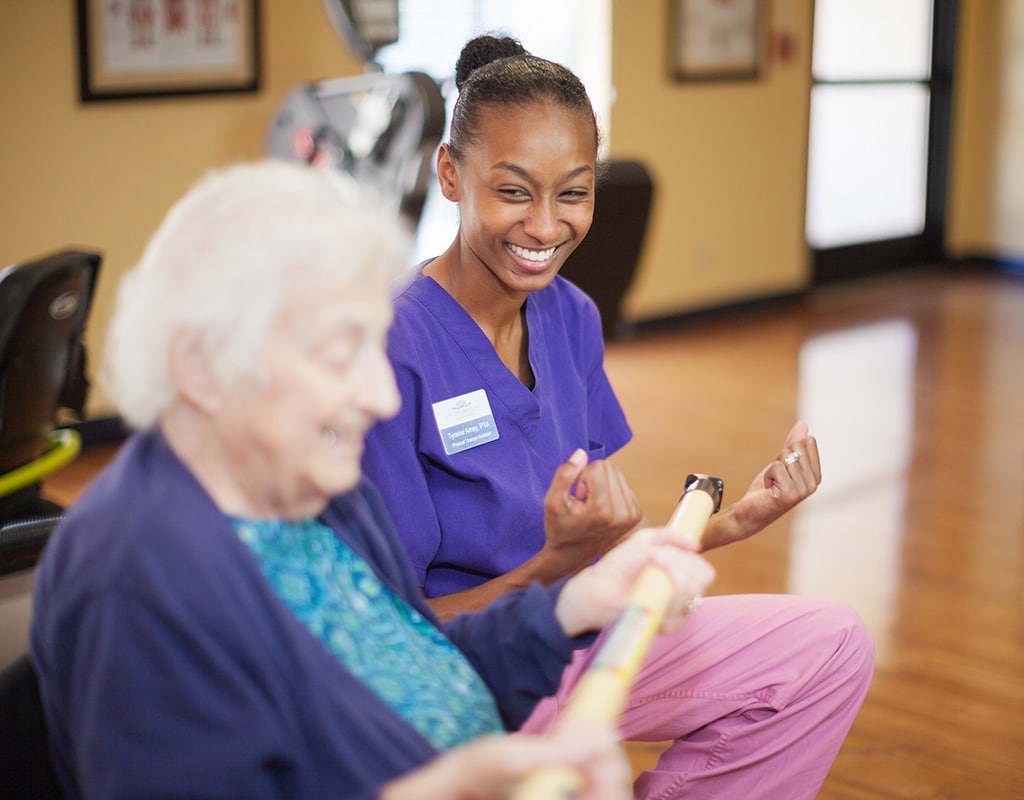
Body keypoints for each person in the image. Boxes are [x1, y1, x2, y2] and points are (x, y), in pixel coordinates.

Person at [28, 160, 716, 800]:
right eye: (339, 354)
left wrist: (580, 599)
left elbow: (421, 662)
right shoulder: (141, 575)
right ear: (202, 367)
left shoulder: (323, 495)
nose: (384, 397)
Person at [361, 35, 875, 799]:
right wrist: (555, 571)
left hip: (586, 637)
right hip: (471, 676)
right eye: (513, 192)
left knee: (831, 647)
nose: (545, 227)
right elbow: (393, 637)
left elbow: (595, 547)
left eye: (573, 193)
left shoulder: (571, 317)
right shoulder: (390, 349)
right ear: (448, 174)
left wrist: (727, 525)